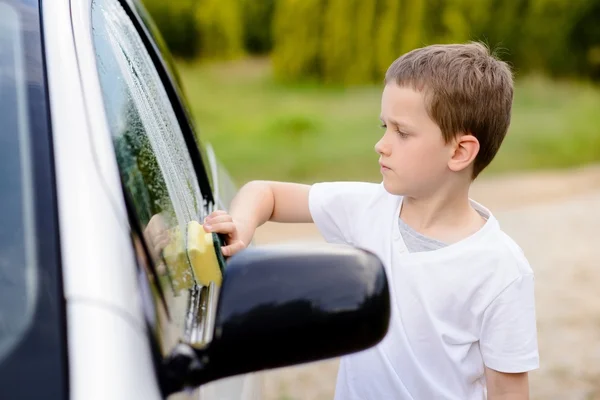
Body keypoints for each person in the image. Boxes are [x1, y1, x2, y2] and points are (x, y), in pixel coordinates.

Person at [203, 42, 539, 400]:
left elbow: (508, 393)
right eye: (384, 126)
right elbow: (265, 193)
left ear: (459, 152)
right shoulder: (368, 208)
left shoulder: (501, 269)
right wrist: (240, 223)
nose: (381, 145)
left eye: (402, 132)